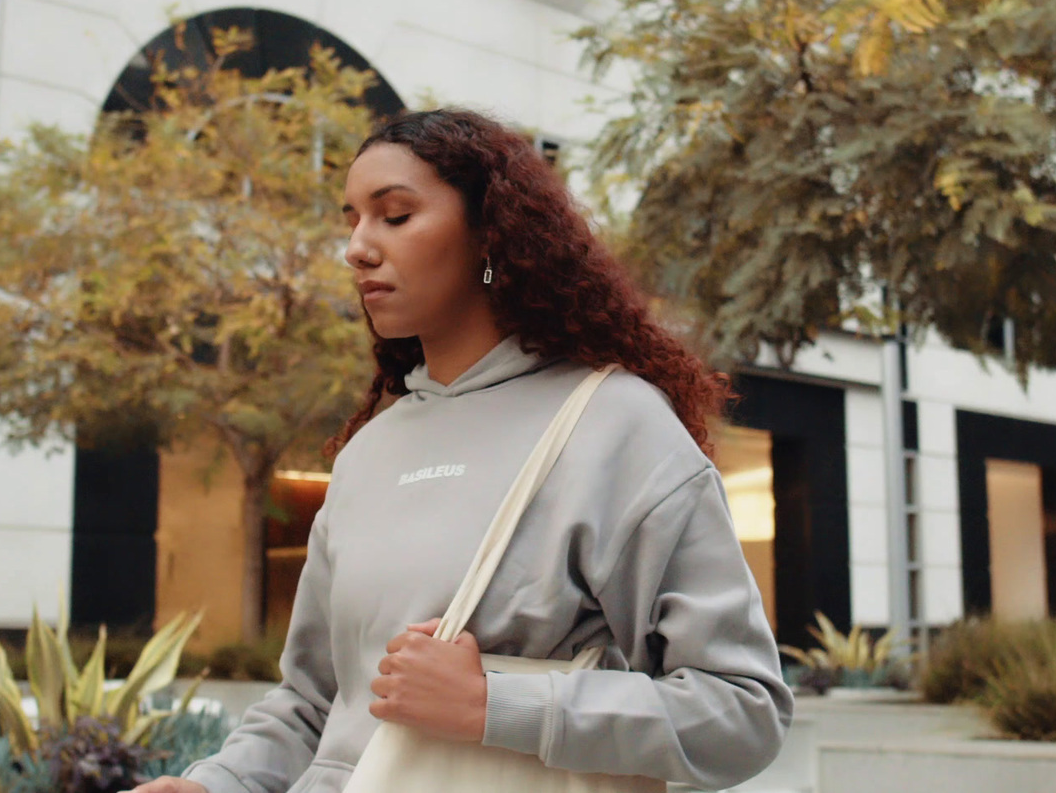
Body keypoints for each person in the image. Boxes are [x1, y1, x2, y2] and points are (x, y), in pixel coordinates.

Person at [130, 108, 792, 793]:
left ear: (489, 235)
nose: (357, 246)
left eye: (394, 215)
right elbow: (315, 703)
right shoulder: (370, 452)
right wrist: (217, 782)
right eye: (351, 219)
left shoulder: (613, 425)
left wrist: (493, 704)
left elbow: (743, 710)